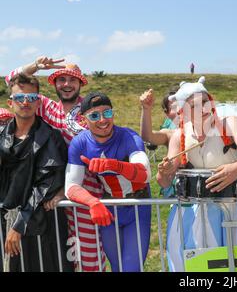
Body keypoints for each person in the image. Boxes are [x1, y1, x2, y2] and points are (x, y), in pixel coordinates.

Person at [6, 58, 106, 271]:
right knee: (61, 260)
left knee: (90, 260)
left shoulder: (90, 111)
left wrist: (64, 190)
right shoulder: (45, 106)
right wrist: (36, 66)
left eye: (72, 79)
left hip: (85, 196)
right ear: (55, 83)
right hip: (53, 201)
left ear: (81, 84)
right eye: (61, 79)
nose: (67, 84)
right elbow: (13, 80)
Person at [157, 77, 237, 271]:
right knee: (209, 267)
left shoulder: (229, 123)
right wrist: (164, 172)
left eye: (205, 102)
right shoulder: (179, 136)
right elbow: (164, 182)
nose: (203, 109)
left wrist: (235, 169)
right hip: (204, 212)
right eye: (194, 106)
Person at [64, 92, 152, 272]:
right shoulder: (79, 143)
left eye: (107, 113)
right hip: (109, 207)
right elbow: (71, 186)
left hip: (137, 206)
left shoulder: (129, 137)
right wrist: (91, 202)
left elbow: (145, 174)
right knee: (118, 268)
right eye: (95, 115)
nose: (103, 120)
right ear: (83, 120)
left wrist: (116, 166)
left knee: (131, 269)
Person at [0, 74, 73, 272]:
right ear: (10, 102)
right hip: (8, 222)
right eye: (20, 98)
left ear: (38, 102)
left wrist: (19, 225)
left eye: (32, 98)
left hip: (44, 223)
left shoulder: (51, 137)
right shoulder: (2, 138)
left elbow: (45, 185)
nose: (26, 102)